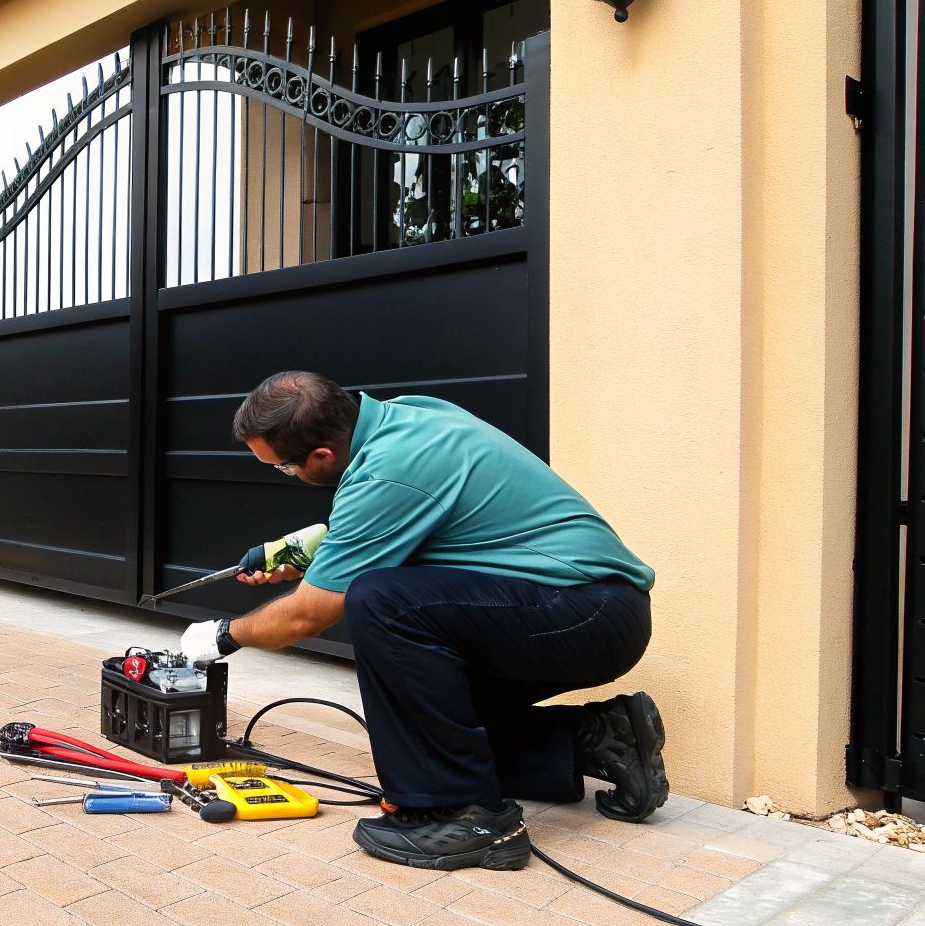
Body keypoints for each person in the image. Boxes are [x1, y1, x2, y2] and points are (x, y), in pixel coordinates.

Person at [179, 371, 665, 872]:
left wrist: (222, 635)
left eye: (283, 467)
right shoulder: (412, 415)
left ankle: (471, 819)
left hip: (584, 614)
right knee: (427, 732)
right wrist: (313, 550)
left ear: (321, 455)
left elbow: (306, 616)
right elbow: (415, 510)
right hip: (589, 609)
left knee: (378, 601)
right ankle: (600, 736)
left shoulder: (386, 474)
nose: (288, 476)